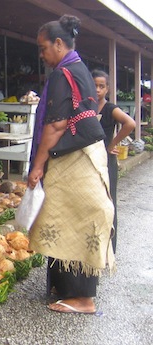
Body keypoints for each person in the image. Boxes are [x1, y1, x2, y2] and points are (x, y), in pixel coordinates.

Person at [27, 14, 115, 314]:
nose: (41, 54)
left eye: (43, 48)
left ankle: (82, 298)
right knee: (63, 217)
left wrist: (37, 166)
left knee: (73, 216)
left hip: (72, 157)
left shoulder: (62, 74)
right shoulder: (79, 69)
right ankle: (63, 289)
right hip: (85, 153)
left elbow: (56, 125)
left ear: (59, 43)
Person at [92, 69, 135, 253]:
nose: (98, 90)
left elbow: (130, 124)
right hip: (90, 162)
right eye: (94, 85)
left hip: (106, 162)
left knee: (108, 202)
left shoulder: (110, 109)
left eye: (102, 86)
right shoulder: (86, 108)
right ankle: (93, 245)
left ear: (107, 89)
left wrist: (112, 144)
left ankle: (110, 248)